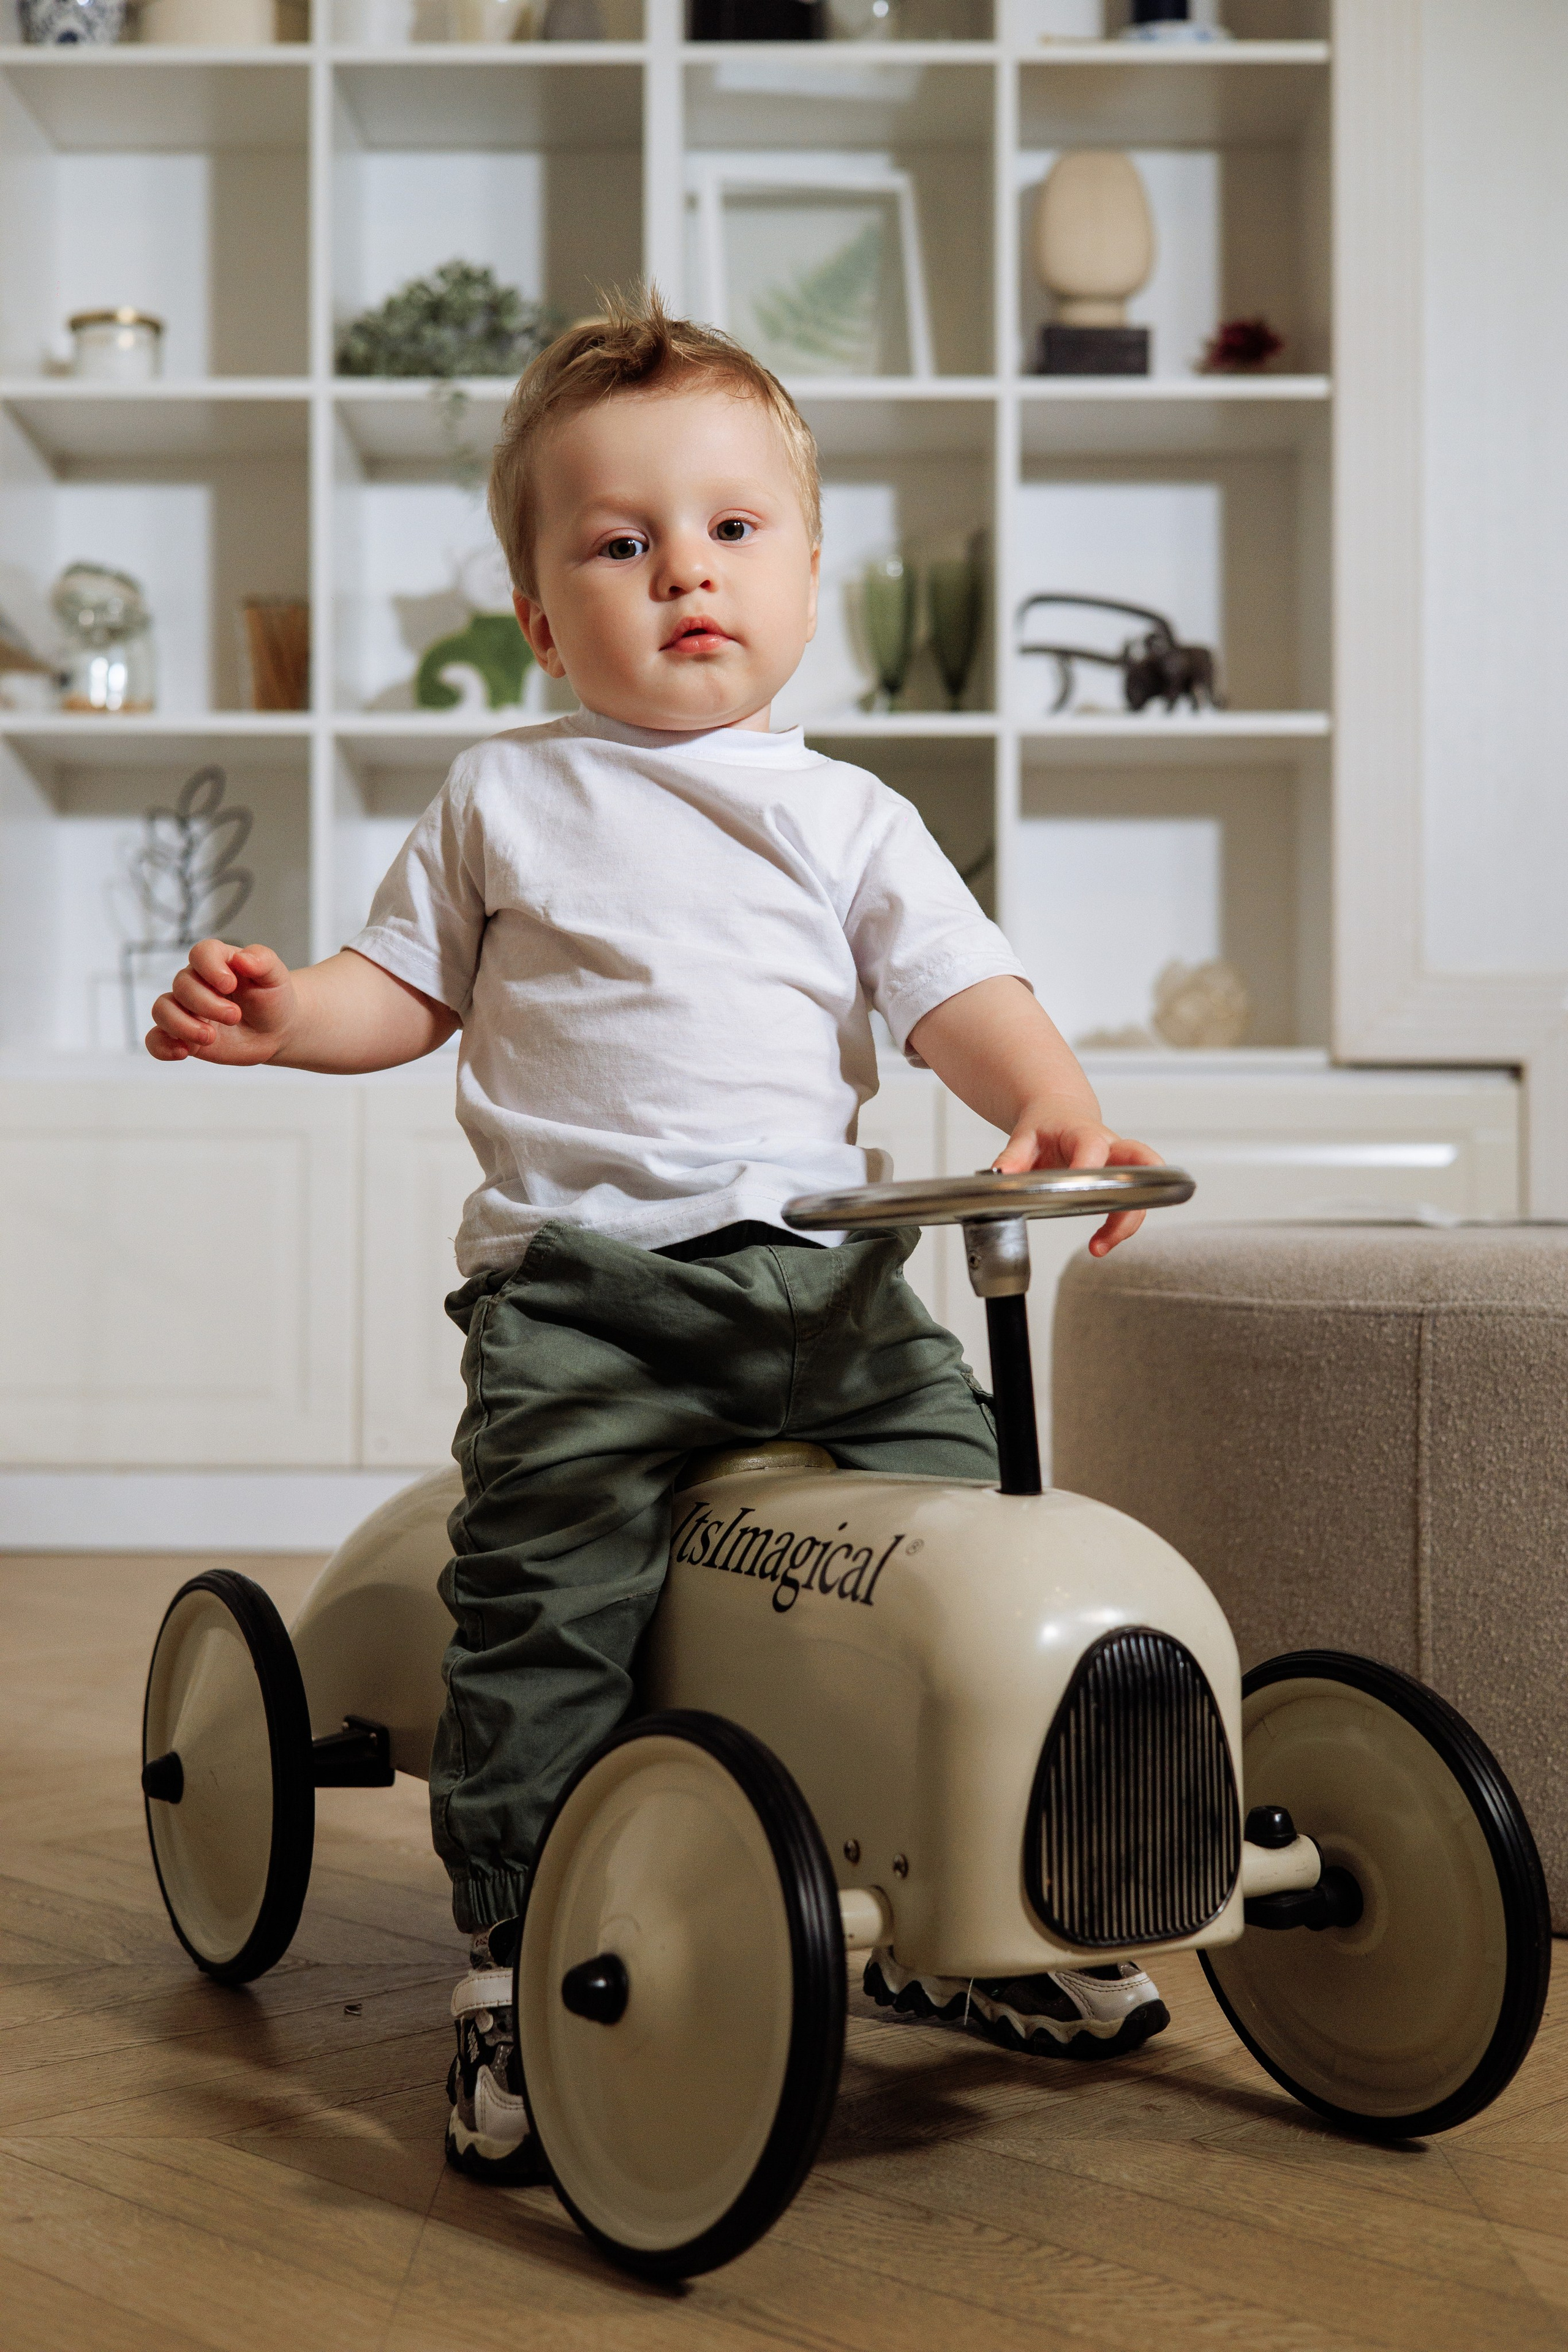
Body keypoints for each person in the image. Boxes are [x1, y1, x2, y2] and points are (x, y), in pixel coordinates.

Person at [146, 291, 1170, 2182]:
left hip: (837, 1288)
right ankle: (514, 1954)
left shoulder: (850, 815)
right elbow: (399, 993)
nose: (682, 572)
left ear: (807, 577)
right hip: (589, 1302)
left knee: (975, 1561)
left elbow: (960, 986)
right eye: (619, 545)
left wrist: (1051, 1095)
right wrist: (290, 1014)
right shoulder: (505, 796)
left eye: (730, 530)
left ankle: (1005, 1905)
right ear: (543, 616)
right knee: (550, 1599)